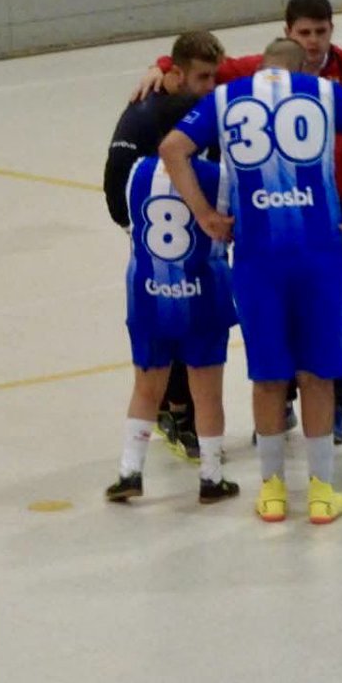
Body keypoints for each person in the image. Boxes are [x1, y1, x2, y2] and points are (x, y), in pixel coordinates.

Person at [134, 0, 342, 444]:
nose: (312, 41)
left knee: (340, 312)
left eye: (321, 31)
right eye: (303, 33)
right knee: (275, 317)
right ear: (288, 33)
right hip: (270, 223)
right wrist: (160, 64)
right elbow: (199, 64)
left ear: (332, 32)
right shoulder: (259, 72)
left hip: (337, 216)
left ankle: (335, 409)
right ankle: (281, 403)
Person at [159, 38, 342, 524]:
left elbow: (172, 148)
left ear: (261, 66)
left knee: (268, 376)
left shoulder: (227, 98)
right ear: (302, 65)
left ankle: (271, 491)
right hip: (318, 253)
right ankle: (321, 491)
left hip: (257, 256)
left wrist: (205, 214)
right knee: (317, 374)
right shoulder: (322, 92)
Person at [104, 31, 225, 463]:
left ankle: (181, 411)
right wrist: (137, 232)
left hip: (200, 237)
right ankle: (176, 413)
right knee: (172, 319)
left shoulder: (203, 106)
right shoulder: (142, 114)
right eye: (203, 77)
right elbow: (115, 182)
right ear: (175, 74)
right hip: (160, 242)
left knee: (195, 321)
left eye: (215, 77)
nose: (212, 86)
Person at [103, 150, 239, 505]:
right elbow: (234, 228)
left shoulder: (140, 171)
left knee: (146, 388)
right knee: (206, 392)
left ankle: (129, 471)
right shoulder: (218, 176)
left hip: (148, 293)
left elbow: (129, 221)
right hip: (201, 292)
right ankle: (211, 476)